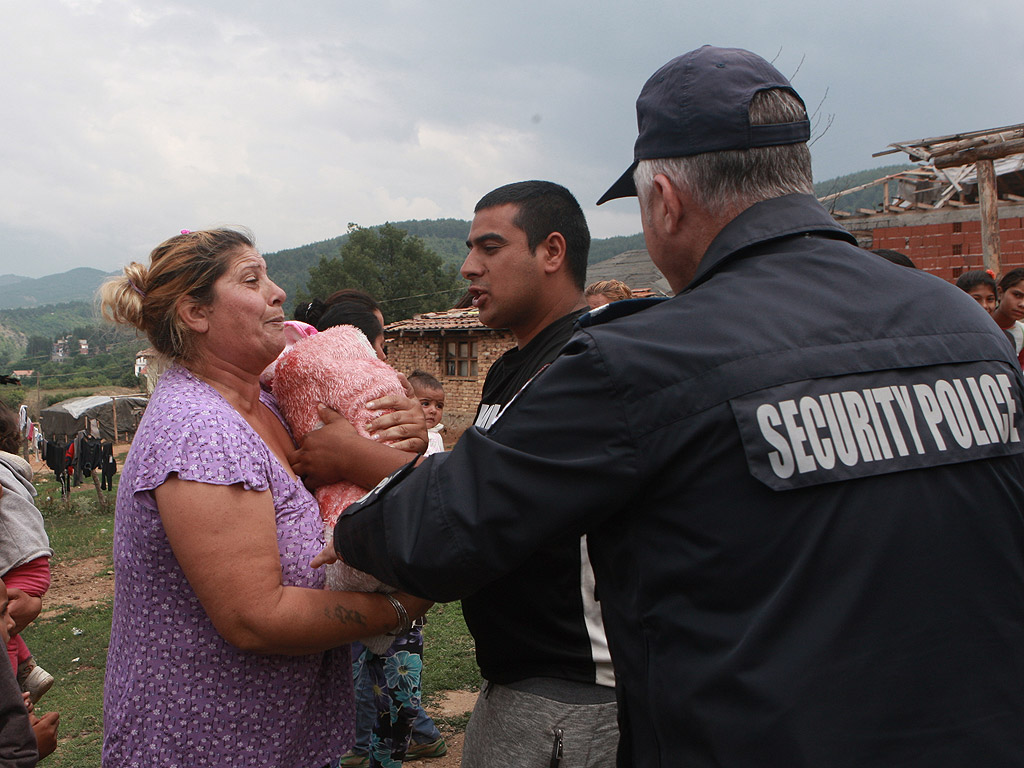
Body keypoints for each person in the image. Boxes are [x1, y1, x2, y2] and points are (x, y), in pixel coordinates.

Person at [317, 47, 1024, 767]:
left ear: (666, 202)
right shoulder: (966, 327)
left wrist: (354, 519)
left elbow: (435, 532)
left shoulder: (646, 358)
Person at [302, 181, 619, 768]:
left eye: (490, 248)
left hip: (573, 684)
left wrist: (355, 460)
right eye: (470, 248)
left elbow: (483, 504)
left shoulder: (587, 363)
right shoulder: (511, 369)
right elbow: (486, 483)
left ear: (553, 252)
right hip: (516, 674)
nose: (469, 267)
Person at [98, 228, 432, 768]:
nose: (277, 292)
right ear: (195, 313)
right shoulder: (202, 431)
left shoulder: (266, 405)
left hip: (274, 737)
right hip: (207, 742)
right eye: (252, 279)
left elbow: (342, 468)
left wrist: (400, 430)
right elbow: (256, 618)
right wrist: (396, 608)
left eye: (269, 275)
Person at [0, 404, 54, 705]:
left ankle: (9, 700)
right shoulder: (11, 468)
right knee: (8, 621)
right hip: (33, 564)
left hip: (16, 567)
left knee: (1, 633)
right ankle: (28, 669)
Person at [991, 267, 1024, 369]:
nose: (1022, 304)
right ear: (1000, 293)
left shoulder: (1022, 333)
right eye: (1017, 295)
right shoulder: (978, 326)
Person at [408, 370, 445, 455]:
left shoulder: (436, 434)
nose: (433, 411)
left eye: (439, 406)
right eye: (425, 404)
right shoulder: (409, 434)